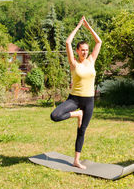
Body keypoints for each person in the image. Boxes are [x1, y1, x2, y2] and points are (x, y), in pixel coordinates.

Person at [50, 16, 102, 169]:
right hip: (74, 100)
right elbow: (67, 42)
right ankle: (77, 114)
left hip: (89, 100)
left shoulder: (92, 60)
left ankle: (76, 160)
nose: (85, 52)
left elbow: (99, 42)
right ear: (77, 51)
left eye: (86, 50)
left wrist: (88, 27)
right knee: (55, 116)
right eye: (82, 50)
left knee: (82, 130)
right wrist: (79, 25)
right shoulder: (74, 64)